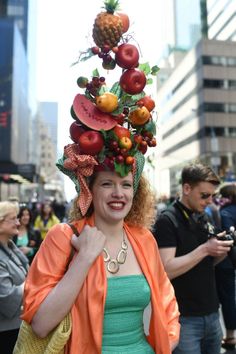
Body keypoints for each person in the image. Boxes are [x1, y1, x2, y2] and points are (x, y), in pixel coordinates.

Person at [20, 3, 180, 350]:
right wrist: (85, 257)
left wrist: (166, 341)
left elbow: (166, 301)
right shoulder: (64, 238)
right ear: (89, 189)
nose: (118, 192)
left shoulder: (143, 239)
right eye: (107, 184)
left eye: (125, 184)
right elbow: (42, 321)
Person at [153, 163, 234, 354]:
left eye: (212, 195)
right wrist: (206, 249)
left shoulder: (203, 216)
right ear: (186, 188)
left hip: (212, 313)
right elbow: (166, 270)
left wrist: (221, 249)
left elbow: (207, 263)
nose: (209, 201)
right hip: (183, 318)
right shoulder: (167, 219)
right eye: (204, 195)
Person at [0, 201, 29, 354]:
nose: (18, 222)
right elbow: (5, 297)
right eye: (13, 219)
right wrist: (32, 283)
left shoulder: (10, 248)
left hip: (17, 326)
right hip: (6, 331)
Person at [215, 183, 236, 350]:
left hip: (225, 260)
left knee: (227, 298)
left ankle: (230, 336)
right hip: (230, 261)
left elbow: (226, 236)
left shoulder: (225, 212)